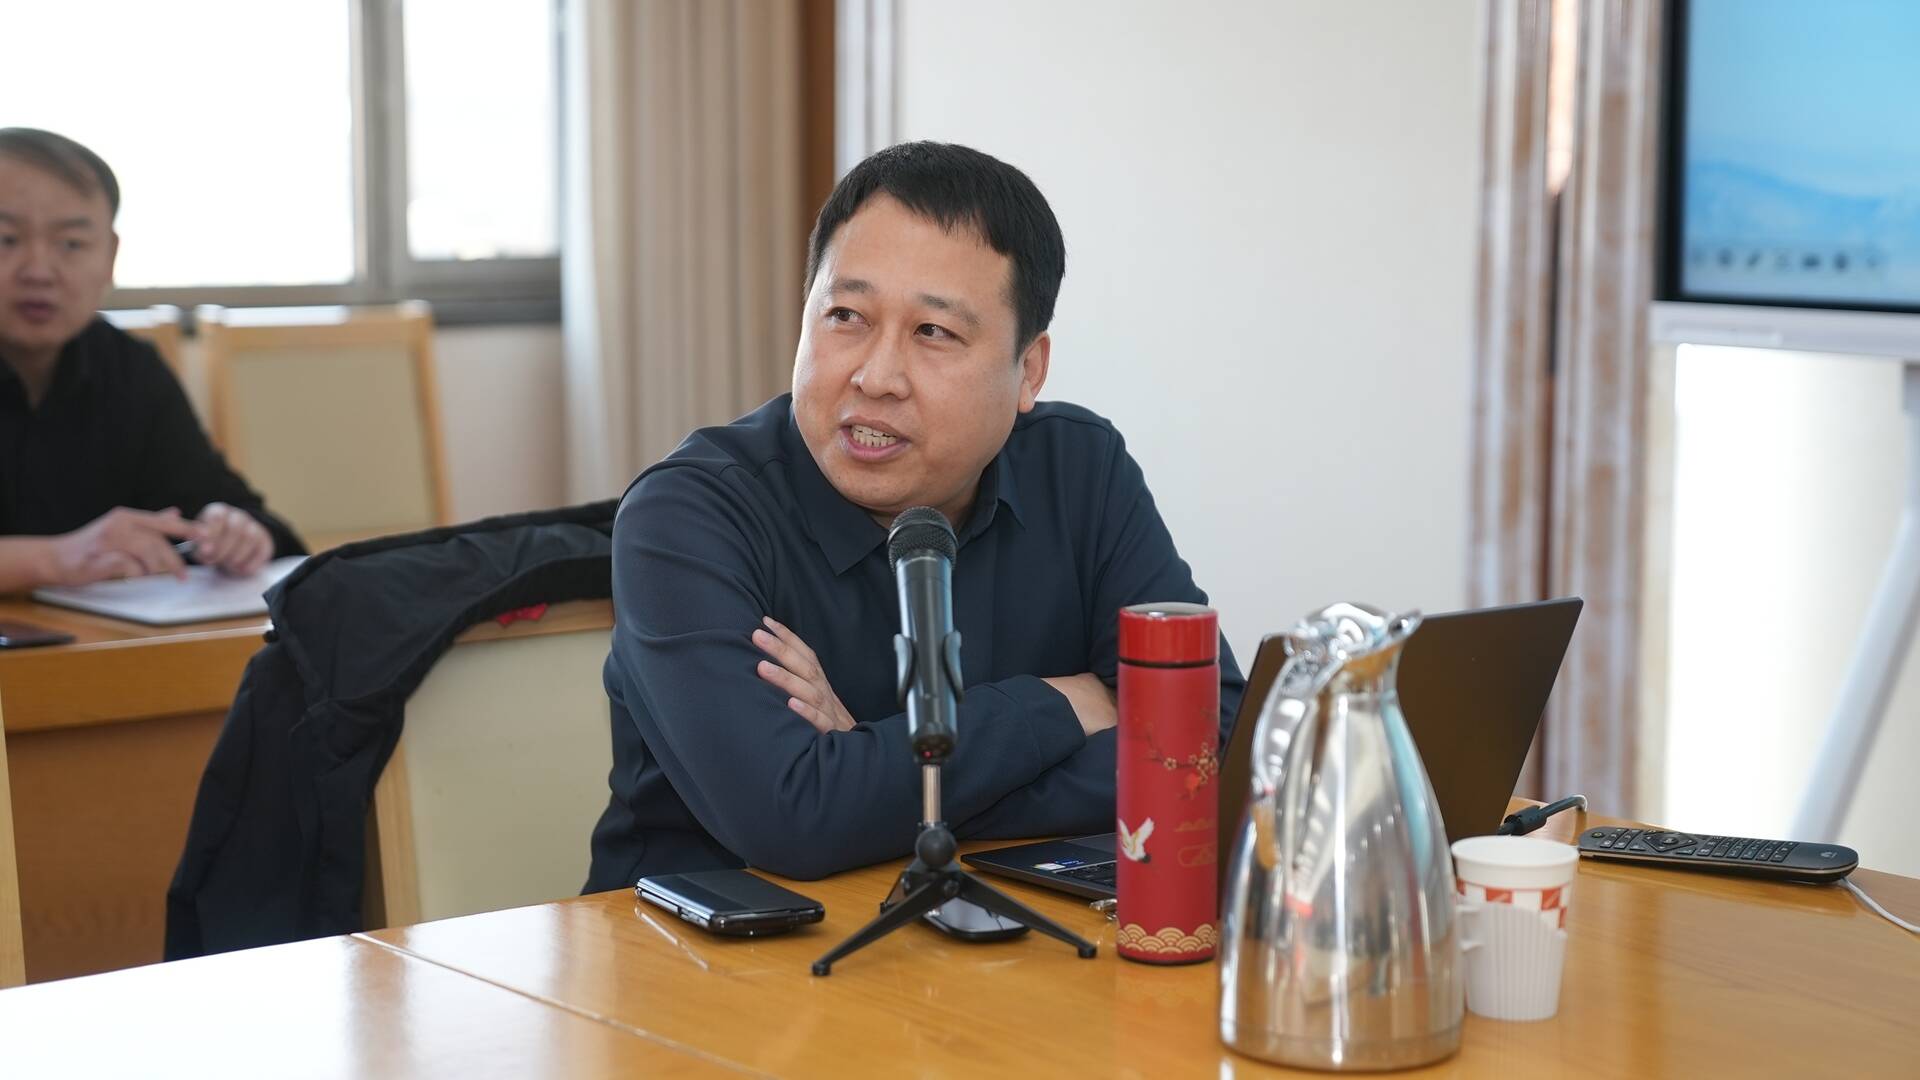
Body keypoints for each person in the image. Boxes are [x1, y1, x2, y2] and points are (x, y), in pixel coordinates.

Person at [585, 142, 1243, 888]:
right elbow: (792, 819)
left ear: (1028, 370)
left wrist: (872, 765)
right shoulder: (687, 516)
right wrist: (1057, 706)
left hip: (993, 924)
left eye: (933, 332)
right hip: (704, 944)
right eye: (845, 316)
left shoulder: (1080, 469)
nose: (876, 377)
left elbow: (1209, 741)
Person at [0, 128, 303, 593]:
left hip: (99, 636)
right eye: (6, 239)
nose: (39, 271)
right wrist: (52, 560)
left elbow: (225, 506)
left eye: (72, 244)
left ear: (109, 257)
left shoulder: (128, 369)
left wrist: (237, 532)